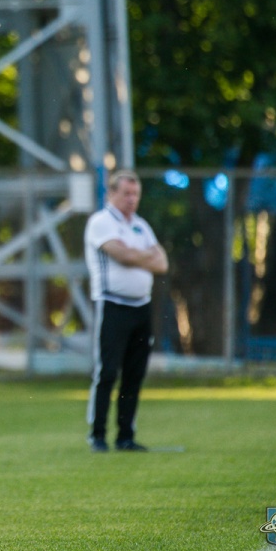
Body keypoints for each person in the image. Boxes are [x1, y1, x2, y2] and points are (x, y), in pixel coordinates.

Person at [84, 170, 168, 453]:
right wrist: (142, 255)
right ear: (112, 194)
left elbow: (162, 263)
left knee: (134, 374)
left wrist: (136, 255)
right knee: (108, 371)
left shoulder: (141, 226)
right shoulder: (101, 222)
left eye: (135, 194)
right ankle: (98, 434)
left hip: (141, 307)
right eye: (126, 193)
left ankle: (125, 435)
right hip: (112, 305)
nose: (132, 199)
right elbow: (123, 255)